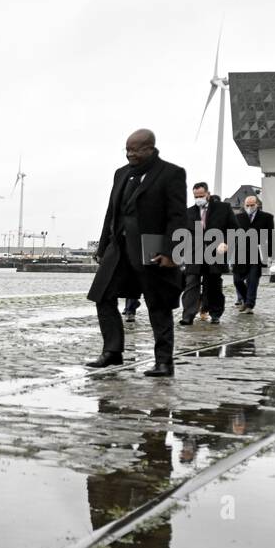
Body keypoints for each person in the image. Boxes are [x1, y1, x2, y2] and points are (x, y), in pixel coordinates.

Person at [86, 128, 186, 377]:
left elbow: (177, 217)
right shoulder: (121, 174)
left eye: (135, 149)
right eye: (127, 149)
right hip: (118, 250)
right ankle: (112, 352)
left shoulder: (171, 173)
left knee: (158, 305)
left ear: (150, 148)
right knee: (102, 296)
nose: (130, 154)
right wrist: (102, 247)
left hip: (150, 252)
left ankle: (164, 362)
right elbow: (112, 213)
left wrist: (171, 252)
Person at [179, 182, 233, 325]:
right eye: (196, 196)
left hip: (215, 253)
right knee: (191, 284)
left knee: (213, 285)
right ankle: (188, 315)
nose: (199, 198)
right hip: (194, 254)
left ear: (208, 194)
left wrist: (225, 242)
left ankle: (215, 313)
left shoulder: (223, 209)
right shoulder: (189, 212)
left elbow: (234, 228)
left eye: (201, 195)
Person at [232, 194, 274, 314]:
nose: (250, 207)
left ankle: (250, 304)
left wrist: (269, 255)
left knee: (252, 280)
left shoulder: (267, 217)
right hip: (240, 253)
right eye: (247, 205)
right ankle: (246, 300)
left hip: (258, 253)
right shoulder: (238, 217)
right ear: (244, 205)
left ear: (257, 205)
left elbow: (270, 236)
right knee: (237, 280)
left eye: (252, 205)